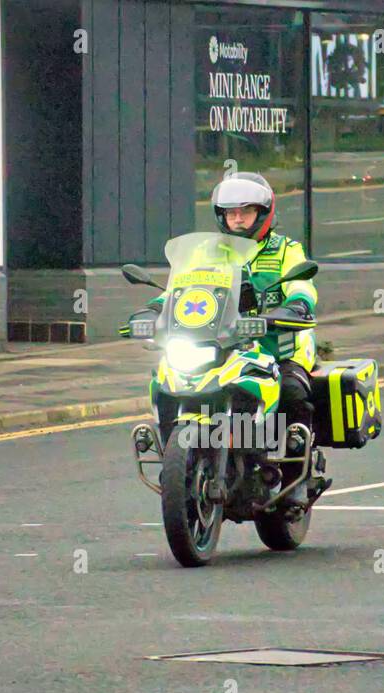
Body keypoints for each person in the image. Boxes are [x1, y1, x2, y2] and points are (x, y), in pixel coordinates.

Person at [122, 172, 323, 508]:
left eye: (246, 211)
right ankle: (179, 461)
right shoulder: (206, 251)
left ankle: (295, 477)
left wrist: (298, 305)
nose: (238, 218)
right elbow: (180, 290)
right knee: (169, 380)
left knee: (291, 389)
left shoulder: (286, 250)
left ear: (263, 213)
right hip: (219, 341)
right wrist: (152, 310)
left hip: (276, 343)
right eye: (231, 213)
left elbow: (302, 285)